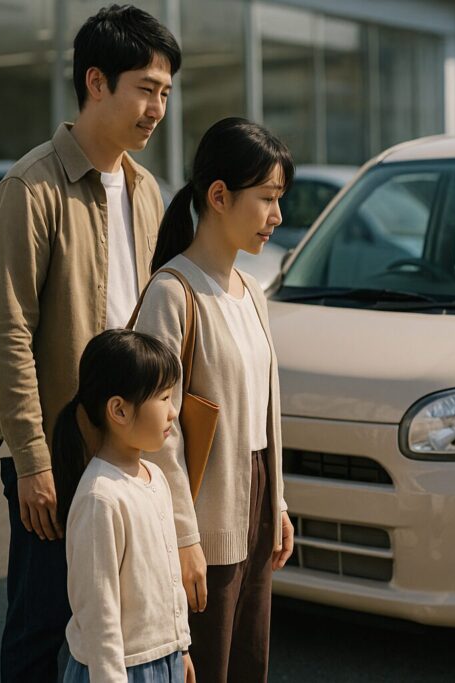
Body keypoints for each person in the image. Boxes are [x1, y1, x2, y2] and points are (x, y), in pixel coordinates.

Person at [0, 6, 180, 681]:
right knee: (40, 626)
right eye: (146, 89)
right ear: (96, 82)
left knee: (114, 625)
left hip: (127, 444)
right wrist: (33, 460)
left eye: (166, 93)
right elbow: (8, 332)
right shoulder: (30, 187)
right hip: (58, 449)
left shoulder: (147, 192)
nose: (157, 109)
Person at [133, 117, 295, 683]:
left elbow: (263, 410)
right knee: (206, 667)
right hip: (205, 515)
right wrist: (182, 535)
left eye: (279, 199)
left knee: (250, 661)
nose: (277, 216)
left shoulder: (252, 291)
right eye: (267, 198)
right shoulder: (172, 292)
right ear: (219, 196)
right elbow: (157, 435)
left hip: (255, 499)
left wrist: (277, 502)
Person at [51, 329, 195, 683]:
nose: (173, 412)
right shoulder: (100, 498)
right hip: (119, 670)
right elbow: (98, 614)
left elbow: (169, 580)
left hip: (164, 658)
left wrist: (181, 648)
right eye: (163, 398)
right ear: (119, 410)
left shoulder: (155, 477)